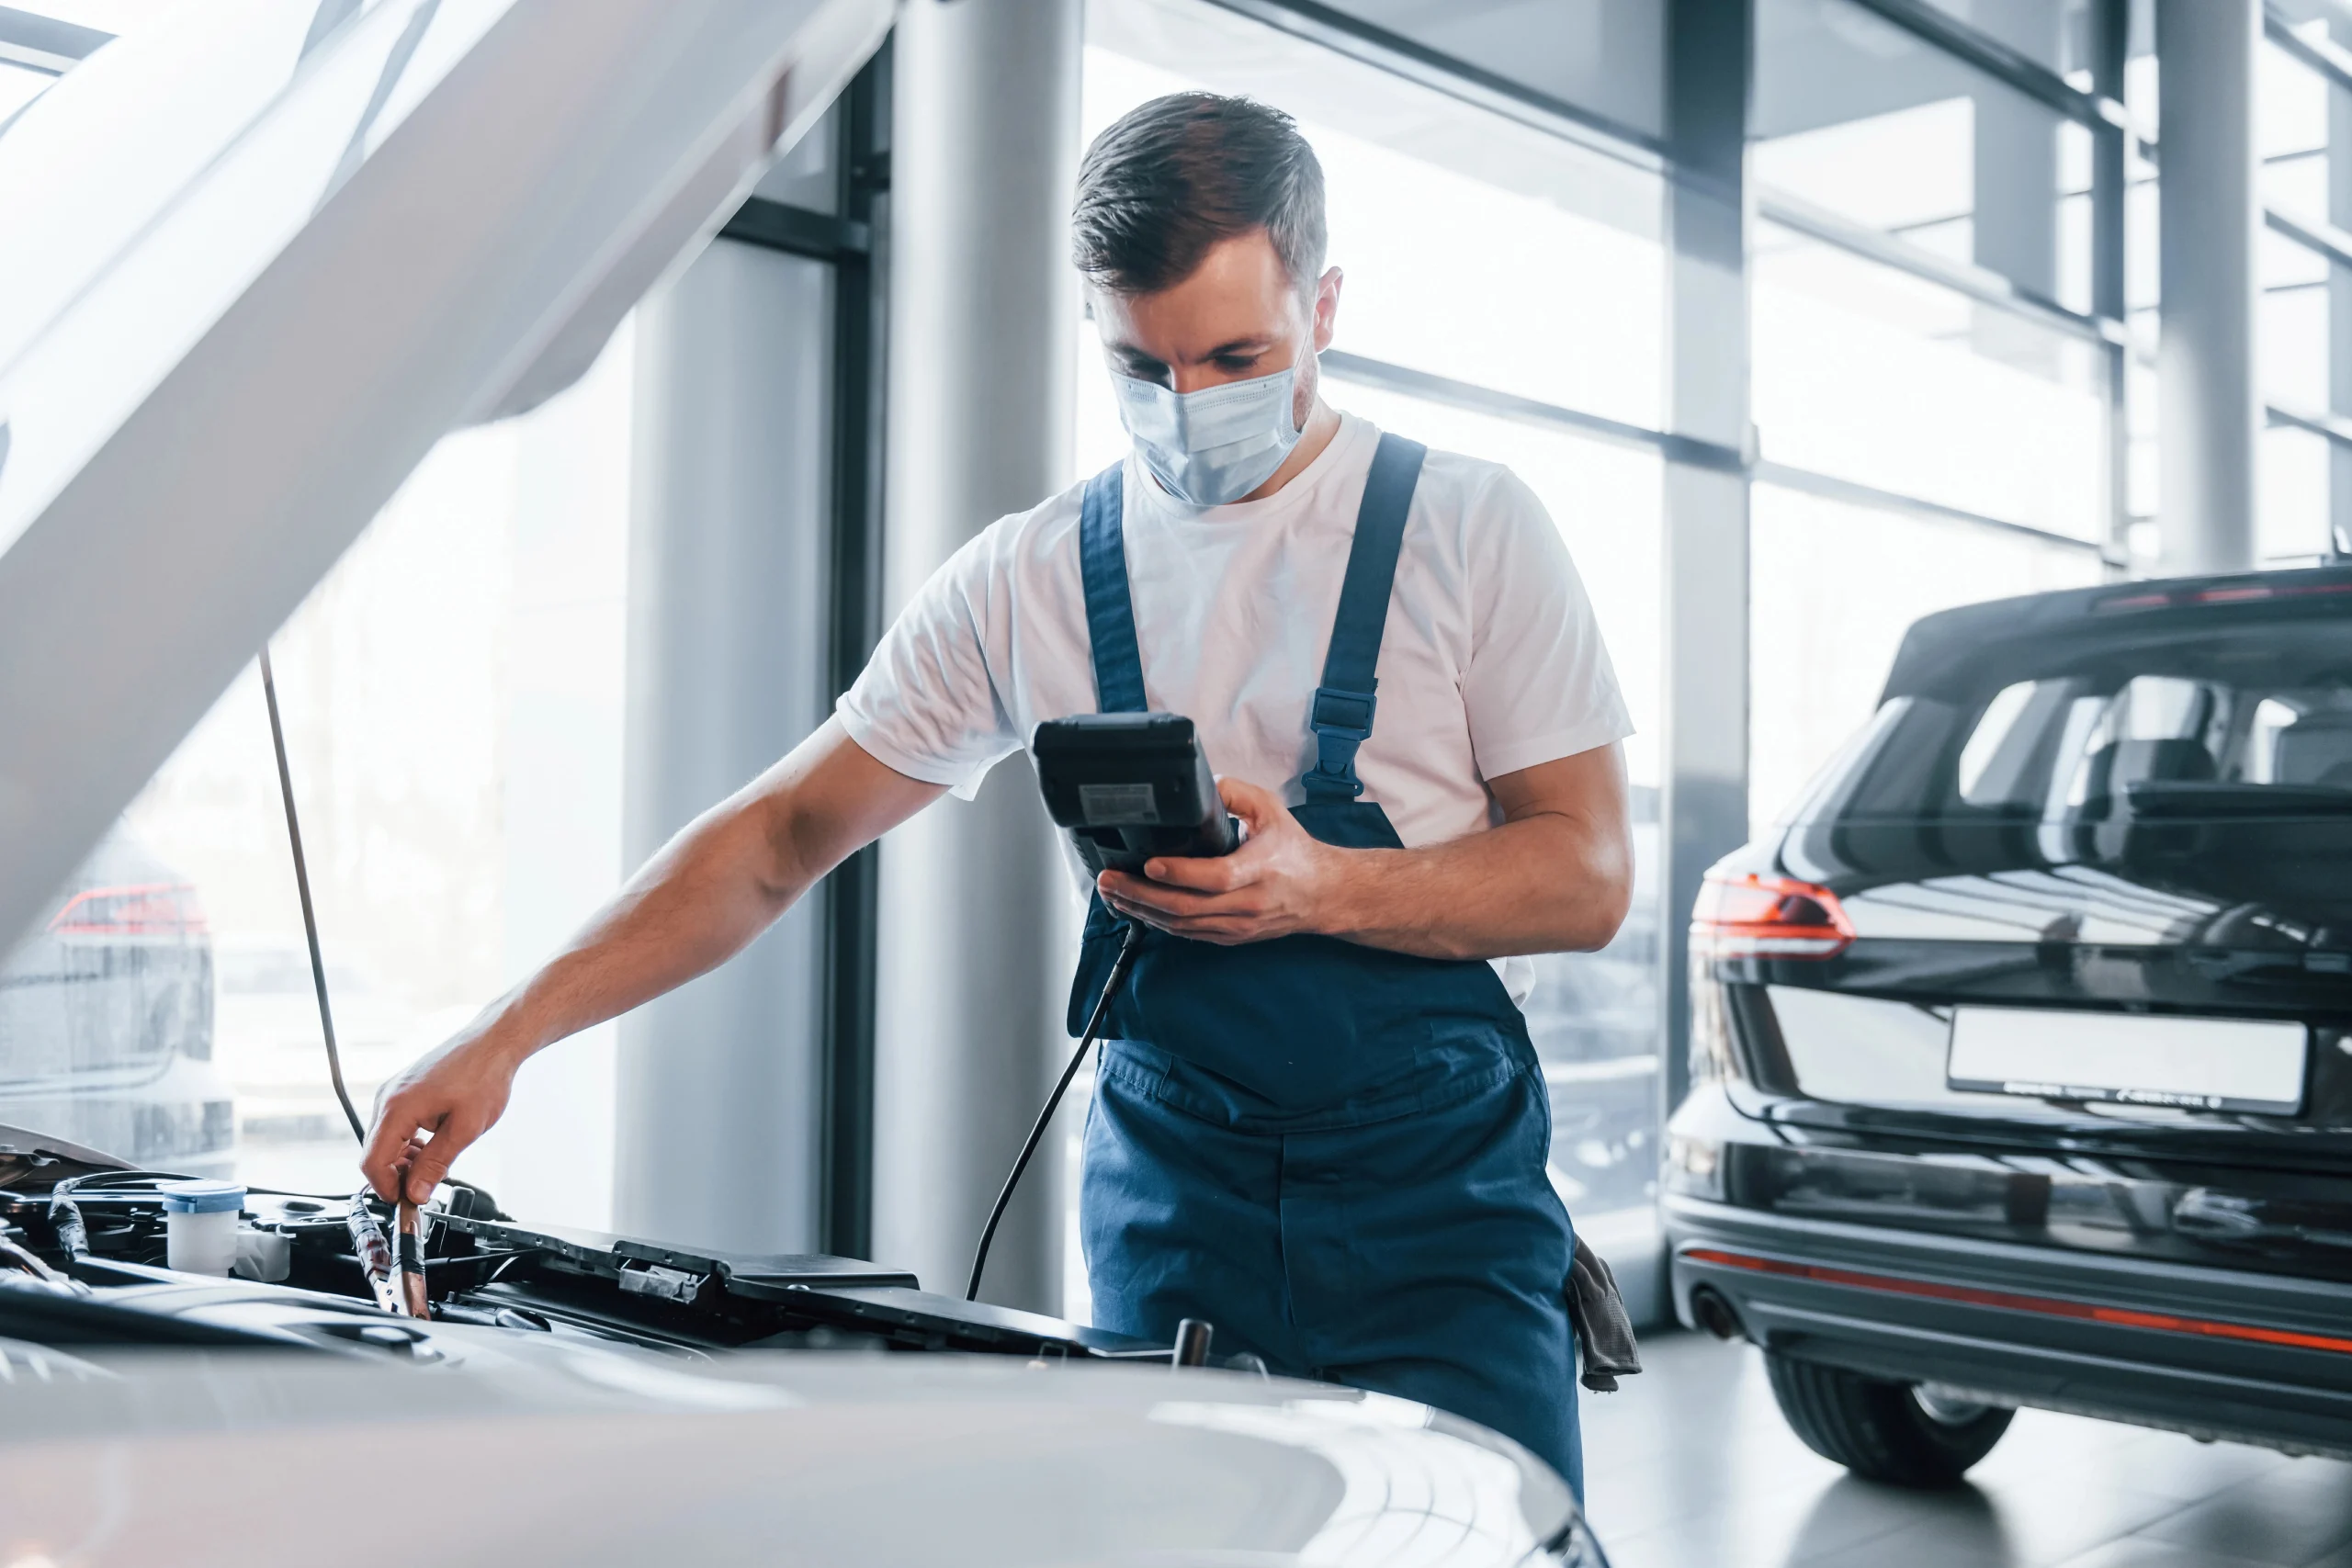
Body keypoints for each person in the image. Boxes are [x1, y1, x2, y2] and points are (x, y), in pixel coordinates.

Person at [362, 91, 1632, 1494]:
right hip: (1175, 1215)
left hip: (1436, 1222)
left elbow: (1586, 876)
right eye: (1143, 368)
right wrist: (511, 1025)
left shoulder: (1471, 526)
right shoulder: (1032, 576)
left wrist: (1324, 884)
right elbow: (783, 836)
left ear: (1323, 306)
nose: (1190, 405)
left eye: (1236, 356)